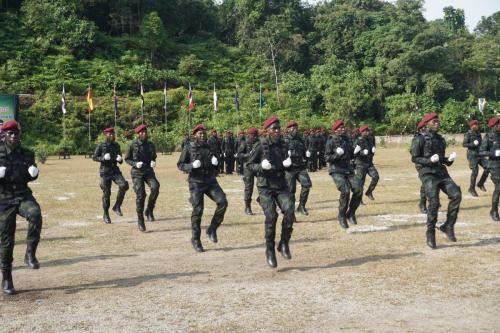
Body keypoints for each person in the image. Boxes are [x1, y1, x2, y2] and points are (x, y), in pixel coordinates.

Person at [0, 120, 42, 295]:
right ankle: (7, 277)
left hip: (23, 195)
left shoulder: (27, 153)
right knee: (7, 240)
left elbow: (29, 175)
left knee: (35, 213)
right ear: (4, 135)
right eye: (10, 134)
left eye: (16, 133)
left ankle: (30, 253)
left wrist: (34, 174)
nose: (13, 136)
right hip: (3, 199)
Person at [247, 116, 295, 268]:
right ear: (267, 131)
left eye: (279, 128)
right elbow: (249, 165)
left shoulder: (284, 144)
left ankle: (284, 243)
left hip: (281, 185)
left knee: (289, 210)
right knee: (271, 216)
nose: (277, 131)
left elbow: (287, 164)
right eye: (274, 128)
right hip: (265, 187)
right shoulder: (260, 146)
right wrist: (261, 166)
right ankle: (270, 250)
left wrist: (288, 164)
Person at [411, 112, 461, 249]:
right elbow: (415, 158)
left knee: (456, 194)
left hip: (441, 172)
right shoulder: (419, 139)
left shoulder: (440, 139)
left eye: (438, 121)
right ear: (427, 124)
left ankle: (448, 226)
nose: (437, 123)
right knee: (434, 202)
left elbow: (441, 159)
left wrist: (448, 160)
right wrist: (428, 160)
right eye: (435, 121)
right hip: (427, 173)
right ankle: (430, 233)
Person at [177, 124, 228, 252]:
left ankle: (212, 228)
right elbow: (180, 164)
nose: (202, 135)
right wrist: (191, 166)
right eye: (200, 133)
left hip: (210, 181)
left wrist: (216, 163)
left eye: (204, 133)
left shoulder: (209, 146)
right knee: (198, 210)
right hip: (196, 182)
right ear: (195, 135)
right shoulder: (189, 147)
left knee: (223, 202)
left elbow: (216, 164)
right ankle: (195, 239)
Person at [325, 119, 363, 229]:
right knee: (345, 190)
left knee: (359, 189)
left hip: (348, 169)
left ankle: (351, 212)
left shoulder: (347, 140)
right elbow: (327, 158)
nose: (342, 129)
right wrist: (336, 154)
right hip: (336, 169)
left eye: (343, 127)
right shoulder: (330, 141)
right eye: (340, 128)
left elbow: (350, 155)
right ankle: (341, 215)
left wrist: (356, 151)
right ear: (335, 130)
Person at [125, 124, 159, 232]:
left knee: (155, 187)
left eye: (145, 132)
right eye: (142, 132)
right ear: (138, 134)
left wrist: (153, 161)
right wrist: (135, 164)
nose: (144, 134)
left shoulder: (150, 144)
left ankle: (149, 210)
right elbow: (127, 159)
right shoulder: (132, 145)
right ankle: (140, 219)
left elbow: (154, 156)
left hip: (148, 172)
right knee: (141, 194)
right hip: (137, 173)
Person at [93, 128, 129, 224]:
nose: (113, 136)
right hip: (105, 172)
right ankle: (106, 213)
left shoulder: (117, 145)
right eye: (111, 134)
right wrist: (103, 158)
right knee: (107, 193)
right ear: (106, 135)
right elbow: (94, 157)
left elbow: (120, 160)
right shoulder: (101, 145)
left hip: (115, 170)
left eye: (113, 134)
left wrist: (120, 159)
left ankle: (117, 206)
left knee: (124, 185)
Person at [284, 121, 312, 215]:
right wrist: (285, 156)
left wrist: (307, 155)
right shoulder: (284, 140)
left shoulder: (300, 139)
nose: (295, 129)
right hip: (290, 168)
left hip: (300, 166)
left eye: (296, 128)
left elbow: (304, 151)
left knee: (307, 185)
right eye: (292, 128)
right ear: (288, 129)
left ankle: (302, 206)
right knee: (291, 190)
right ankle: (290, 211)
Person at [480, 117, 500, 221]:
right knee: (499, 187)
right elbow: (481, 152)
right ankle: (494, 210)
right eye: (498, 124)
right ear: (493, 126)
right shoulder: (489, 137)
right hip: (494, 166)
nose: (499, 126)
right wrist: (492, 153)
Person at [463, 119, 489, 197]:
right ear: (472, 126)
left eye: (477, 124)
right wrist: (472, 144)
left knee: (488, 167)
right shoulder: (468, 134)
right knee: (475, 171)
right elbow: (464, 144)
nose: (477, 126)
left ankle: (481, 183)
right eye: (475, 125)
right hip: (472, 155)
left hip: (480, 154)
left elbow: (481, 144)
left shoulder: (478, 133)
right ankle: (471, 188)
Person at [353, 125, 379, 201]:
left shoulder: (370, 139)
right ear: (361, 132)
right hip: (360, 164)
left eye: (368, 131)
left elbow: (371, 151)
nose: (367, 132)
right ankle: (359, 199)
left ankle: (369, 192)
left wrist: (372, 151)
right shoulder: (358, 140)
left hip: (369, 163)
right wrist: (362, 152)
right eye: (365, 131)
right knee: (360, 182)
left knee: (376, 176)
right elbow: (354, 153)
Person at [237, 127, 259, 215]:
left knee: (264, 183)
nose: (254, 137)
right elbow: (239, 154)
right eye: (252, 135)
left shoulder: (258, 143)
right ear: (249, 135)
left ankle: (261, 199)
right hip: (248, 167)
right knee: (249, 188)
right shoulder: (245, 142)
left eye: (255, 135)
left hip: (257, 166)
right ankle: (248, 207)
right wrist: (247, 155)